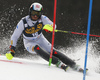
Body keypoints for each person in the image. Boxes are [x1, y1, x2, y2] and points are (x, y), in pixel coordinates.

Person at [6, 2, 86, 72]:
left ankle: (74, 65)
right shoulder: (23, 21)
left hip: (40, 38)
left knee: (53, 51)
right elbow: (14, 36)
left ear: (40, 13)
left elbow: (53, 25)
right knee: (37, 48)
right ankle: (57, 63)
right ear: (30, 12)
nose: (35, 15)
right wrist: (12, 49)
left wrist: (50, 28)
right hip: (29, 42)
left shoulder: (42, 18)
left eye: (37, 13)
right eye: (33, 13)